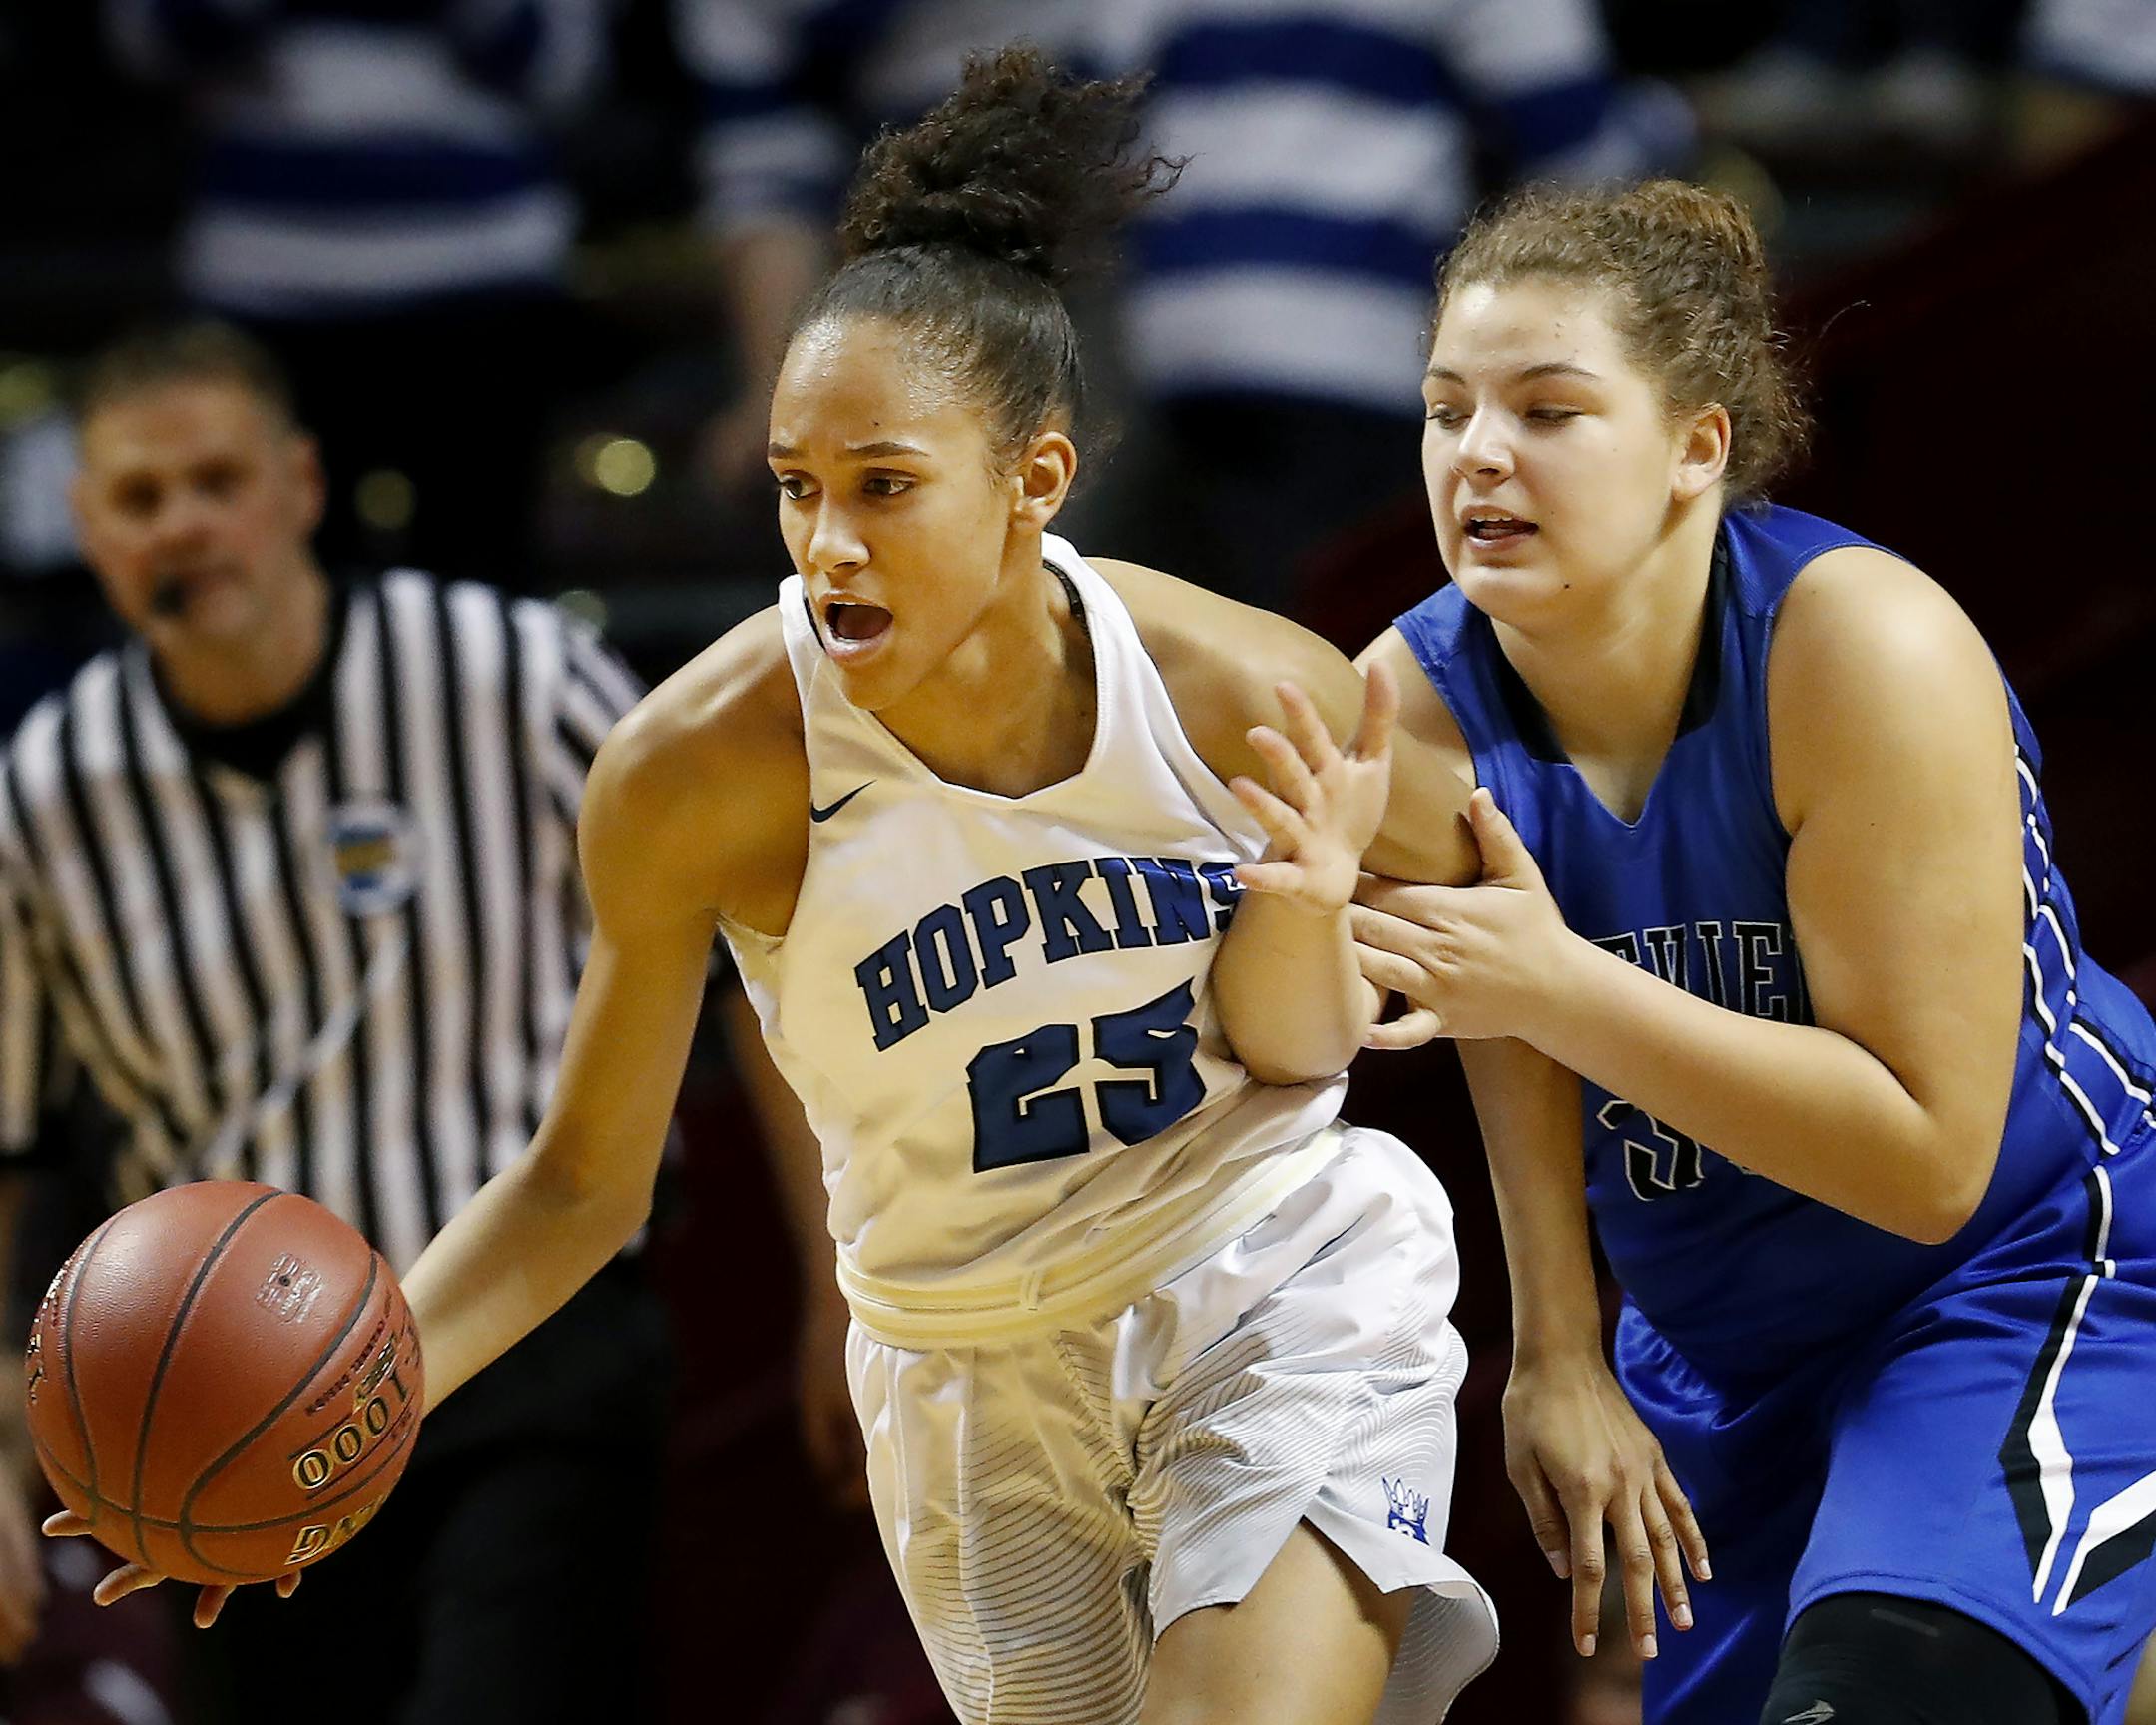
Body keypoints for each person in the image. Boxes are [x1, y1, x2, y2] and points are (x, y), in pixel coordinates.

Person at [68, 49, 1509, 1724]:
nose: (825, 544)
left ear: (1034, 482)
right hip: (966, 1355)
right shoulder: (697, 767)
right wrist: (343, 1414)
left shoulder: (1229, 684)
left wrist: (1568, 1335)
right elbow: (578, 1188)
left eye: (883, 488)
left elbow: (1530, 933)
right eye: (794, 489)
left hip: (1265, 1264)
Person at [1348, 180, 2156, 1724]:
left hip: (2034, 1268)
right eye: (1447, 410)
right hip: (1720, 1342)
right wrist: (1558, 1352)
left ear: (1695, 449)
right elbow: (1493, 1009)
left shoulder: (1864, 646)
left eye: (1550, 410)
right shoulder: (1419, 694)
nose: (1479, 455)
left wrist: (1558, 981)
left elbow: (1927, 1160)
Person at [1, 320, 670, 1723]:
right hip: (218, 1393)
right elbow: (11, 1146)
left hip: (526, 1331)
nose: (185, 523)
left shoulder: (512, 676)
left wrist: (840, 1298)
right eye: (139, 498)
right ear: (89, 530)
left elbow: (746, 974)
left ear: (300, 487)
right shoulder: (46, 794)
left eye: (216, 480)